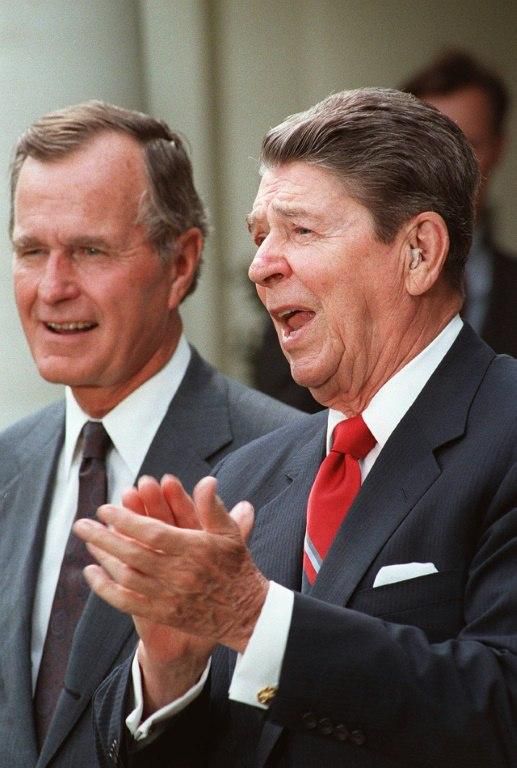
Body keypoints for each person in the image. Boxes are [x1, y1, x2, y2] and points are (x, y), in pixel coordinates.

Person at [78, 89, 517, 767]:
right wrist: (172, 671)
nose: (260, 266)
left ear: (419, 253)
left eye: (300, 231)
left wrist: (253, 620)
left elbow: (500, 711)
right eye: (259, 237)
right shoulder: (239, 481)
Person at [0, 100, 303, 768]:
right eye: (31, 251)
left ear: (180, 264)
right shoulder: (6, 465)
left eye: (89, 251)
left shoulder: (293, 468)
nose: (52, 288)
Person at [402, 49, 517, 357]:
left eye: (469, 145)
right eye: (432, 146)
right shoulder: (348, 278)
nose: (449, 166)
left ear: (497, 149)